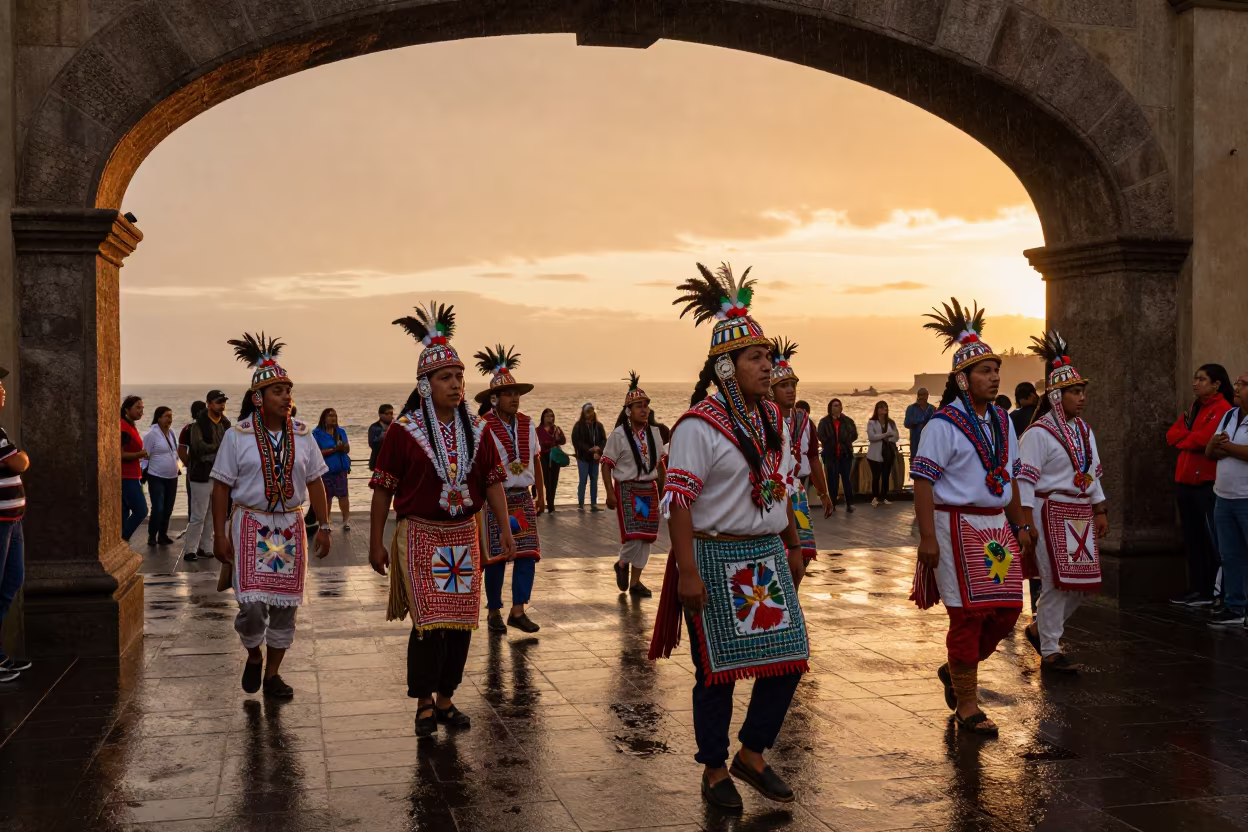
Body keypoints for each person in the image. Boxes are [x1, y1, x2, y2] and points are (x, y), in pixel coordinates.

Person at [650, 263, 809, 812]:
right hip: (714, 557)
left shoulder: (774, 419)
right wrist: (686, 571)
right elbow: (679, 501)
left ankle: (753, 752)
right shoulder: (697, 425)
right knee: (715, 671)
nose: (768, 367)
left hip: (764, 555)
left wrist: (791, 542)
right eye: (756, 358)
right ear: (726, 366)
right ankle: (715, 766)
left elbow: (781, 484)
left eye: (768, 357)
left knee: (788, 659)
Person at [369, 303, 514, 737]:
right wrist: (376, 541)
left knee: (461, 623)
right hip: (419, 535)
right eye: (445, 378)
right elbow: (382, 487)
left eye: (459, 377)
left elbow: (492, 483)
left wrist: (506, 531)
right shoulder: (403, 431)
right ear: (425, 384)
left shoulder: (479, 429)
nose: (456, 384)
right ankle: (423, 702)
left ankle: (447, 698)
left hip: (463, 537)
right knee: (428, 624)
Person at [910, 298, 1034, 737]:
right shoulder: (941, 425)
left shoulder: (1003, 420)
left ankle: (955, 671)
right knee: (966, 616)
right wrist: (928, 538)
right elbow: (922, 482)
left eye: (996, 368)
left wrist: (1020, 525)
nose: (995, 375)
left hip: (995, 525)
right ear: (963, 380)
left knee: (1007, 611)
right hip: (954, 525)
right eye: (985, 370)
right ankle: (967, 704)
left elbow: (1012, 478)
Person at [212, 334, 332, 699]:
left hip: (292, 527)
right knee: (251, 605)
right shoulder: (238, 437)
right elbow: (220, 488)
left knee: (285, 607)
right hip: (250, 524)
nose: (286, 396)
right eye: (277, 390)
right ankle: (253, 654)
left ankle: (274, 673)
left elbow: (315, 483)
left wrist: (324, 525)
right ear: (257, 399)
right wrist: (220, 534)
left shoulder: (304, 436)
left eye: (288, 389)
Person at [1017, 333, 1108, 672]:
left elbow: (1092, 474)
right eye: (1075, 392)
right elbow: (1024, 480)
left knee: (1083, 585)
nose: (1081, 398)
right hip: (1047, 509)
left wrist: (1099, 508)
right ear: (1057, 396)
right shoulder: (1038, 434)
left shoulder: (1085, 431)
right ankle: (1051, 647)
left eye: (1083, 391)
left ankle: (1040, 628)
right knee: (1057, 581)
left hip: (1080, 511)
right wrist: (1025, 522)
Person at [473, 345, 543, 634]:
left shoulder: (527, 423)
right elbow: (475, 466)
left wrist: (542, 493)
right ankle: (492, 611)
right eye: (509, 393)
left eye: (517, 393)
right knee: (496, 558)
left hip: (522, 497)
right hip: (495, 499)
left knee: (528, 554)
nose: (515, 398)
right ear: (494, 398)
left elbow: (536, 458)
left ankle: (518, 610)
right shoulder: (482, 426)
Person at [1166, 363, 1234, 606]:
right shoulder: (1195, 407)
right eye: (1195, 378)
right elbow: (1172, 435)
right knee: (1191, 537)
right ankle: (1197, 587)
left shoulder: (1223, 409)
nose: (1196, 383)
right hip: (1185, 480)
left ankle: (1210, 591)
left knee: (1208, 539)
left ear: (1216, 384)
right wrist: (1188, 439)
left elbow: (1205, 439)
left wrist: (1186, 439)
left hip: (1204, 482)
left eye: (1202, 379)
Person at [603, 372, 666, 598]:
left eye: (646, 405)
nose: (644, 409)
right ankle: (622, 562)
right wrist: (610, 493)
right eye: (639, 406)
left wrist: (666, 490)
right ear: (628, 411)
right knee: (634, 535)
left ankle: (636, 581)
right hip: (628, 488)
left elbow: (659, 465)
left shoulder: (655, 434)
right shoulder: (619, 435)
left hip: (649, 489)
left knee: (648, 536)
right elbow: (606, 464)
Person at [770, 340, 833, 560]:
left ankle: (793, 594)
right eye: (783, 385)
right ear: (771, 390)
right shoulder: (764, 421)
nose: (790, 390)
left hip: (797, 494)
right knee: (777, 553)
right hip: (772, 494)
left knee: (805, 552)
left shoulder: (804, 420)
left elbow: (814, 458)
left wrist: (824, 494)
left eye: (793, 385)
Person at [1206, 369, 1248, 627]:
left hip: (1246, 498)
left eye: (1243, 384)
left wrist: (1228, 447)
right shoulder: (1230, 415)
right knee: (1230, 554)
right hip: (1224, 497)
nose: (1237, 387)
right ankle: (1235, 607)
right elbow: (1210, 450)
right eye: (1237, 383)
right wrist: (1217, 447)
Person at [0, 367, 31, 681]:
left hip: (12, 521)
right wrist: (19, 455)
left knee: (11, 583)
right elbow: (18, 461)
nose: (3, 390)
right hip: (2, 523)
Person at [184, 391, 230, 562]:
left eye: (223, 402)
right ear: (209, 404)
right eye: (219, 402)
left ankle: (206, 547)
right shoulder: (197, 426)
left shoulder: (225, 424)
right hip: (201, 474)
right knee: (198, 515)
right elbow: (198, 447)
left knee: (213, 513)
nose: (222, 405)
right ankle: (190, 549)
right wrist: (219, 446)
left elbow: (229, 447)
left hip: (219, 474)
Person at [144, 406, 180, 546]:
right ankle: (152, 535)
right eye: (166, 416)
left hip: (172, 476)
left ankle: (163, 535)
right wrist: (143, 472)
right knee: (158, 507)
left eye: (171, 416)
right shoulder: (151, 435)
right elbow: (145, 455)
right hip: (156, 476)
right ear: (158, 418)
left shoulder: (171, 433)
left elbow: (174, 452)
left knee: (168, 508)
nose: (169, 419)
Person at [313, 408, 352, 530]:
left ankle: (346, 521)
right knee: (326, 497)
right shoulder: (317, 433)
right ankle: (326, 522)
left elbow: (347, 449)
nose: (333, 418)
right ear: (324, 418)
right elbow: (316, 452)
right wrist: (334, 449)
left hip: (341, 469)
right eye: (330, 416)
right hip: (325, 470)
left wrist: (343, 447)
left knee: (343, 495)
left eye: (335, 416)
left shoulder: (340, 431)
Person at [818, 399, 856, 512]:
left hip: (845, 454)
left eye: (839, 405)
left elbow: (854, 434)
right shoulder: (824, 421)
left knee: (846, 480)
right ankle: (832, 503)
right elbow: (820, 434)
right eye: (835, 406)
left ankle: (849, 503)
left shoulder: (847, 421)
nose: (837, 408)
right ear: (830, 408)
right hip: (831, 455)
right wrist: (829, 443)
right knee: (832, 480)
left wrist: (845, 441)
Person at [120, 395, 149, 542]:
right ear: (127, 409)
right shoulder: (123, 427)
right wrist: (140, 454)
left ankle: (119, 543)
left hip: (133, 475)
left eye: (142, 408)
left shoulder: (130, 426)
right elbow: (119, 454)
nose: (141, 411)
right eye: (138, 407)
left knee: (124, 513)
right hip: (126, 477)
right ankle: (122, 541)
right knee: (141, 510)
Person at [572, 403, 607, 511]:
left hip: (595, 458)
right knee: (583, 480)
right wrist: (588, 449)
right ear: (583, 412)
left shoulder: (598, 425)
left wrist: (599, 448)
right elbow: (576, 441)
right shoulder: (578, 426)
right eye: (588, 411)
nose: (590, 414)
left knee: (594, 480)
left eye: (591, 411)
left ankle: (593, 504)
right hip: (583, 457)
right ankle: (581, 504)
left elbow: (604, 440)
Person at [866, 401, 899, 506]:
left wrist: (886, 437)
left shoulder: (891, 423)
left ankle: (884, 496)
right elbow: (871, 437)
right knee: (876, 476)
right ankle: (874, 497)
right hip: (874, 454)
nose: (884, 410)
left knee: (886, 476)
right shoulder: (872, 422)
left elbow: (896, 436)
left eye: (885, 408)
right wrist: (885, 435)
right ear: (877, 409)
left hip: (887, 452)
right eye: (881, 408)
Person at [536, 408, 567, 513]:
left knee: (553, 481)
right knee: (545, 480)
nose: (550, 418)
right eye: (548, 416)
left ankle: (551, 504)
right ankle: (545, 502)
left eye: (552, 416)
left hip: (554, 457)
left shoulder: (556, 429)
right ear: (543, 417)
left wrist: (559, 437)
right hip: (543, 457)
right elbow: (537, 444)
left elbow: (563, 441)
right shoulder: (538, 430)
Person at [904, 388, 936, 455]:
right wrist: (919, 421)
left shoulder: (932, 409)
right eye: (921, 395)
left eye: (924, 395)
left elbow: (936, 426)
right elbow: (906, 424)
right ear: (918, 396)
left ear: (927, 396)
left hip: (929, 443)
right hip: (915, 443)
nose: (922, 397)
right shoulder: (911, 408)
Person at [369, 404, 395, 471]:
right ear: (380, 415)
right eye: (387, 414)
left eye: (391, 413)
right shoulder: (374, 427)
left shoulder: (395, 427)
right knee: (378, 481)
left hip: (393, 463)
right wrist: (381, 437)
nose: (390, 416)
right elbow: (371, 444)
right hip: (377, 463)